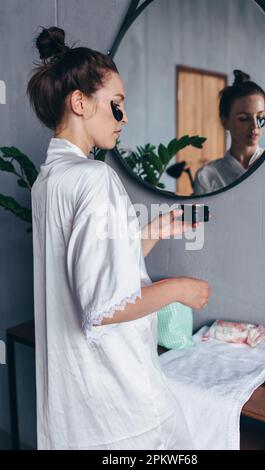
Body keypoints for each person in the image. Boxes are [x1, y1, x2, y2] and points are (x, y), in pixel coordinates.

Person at [27, 26, 211, 450]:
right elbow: (102, 306)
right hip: (118, 403)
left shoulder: (50, 180)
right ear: (79, 102)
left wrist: (148, 233)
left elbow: (88, 265)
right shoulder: (93, 178)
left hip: (74, 406)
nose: (124, 118)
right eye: (116, 106)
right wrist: (180, 288)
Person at [193, 70, 265, 194]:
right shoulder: (206, 176)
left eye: (261, 117)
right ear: (225, 121)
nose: (255, 126)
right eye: (244, 118)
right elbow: (199, 214)